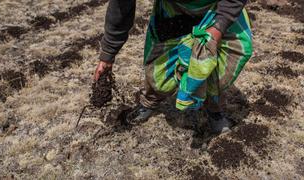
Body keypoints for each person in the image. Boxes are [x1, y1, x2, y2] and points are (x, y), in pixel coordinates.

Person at [94, 0, 253, 134]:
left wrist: (220, 26)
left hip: (216, 10)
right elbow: (121, 5)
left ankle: (214, 108)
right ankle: (150, 101)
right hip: (172, 11)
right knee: (158, 68)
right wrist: (108, 53)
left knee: (212, 66)